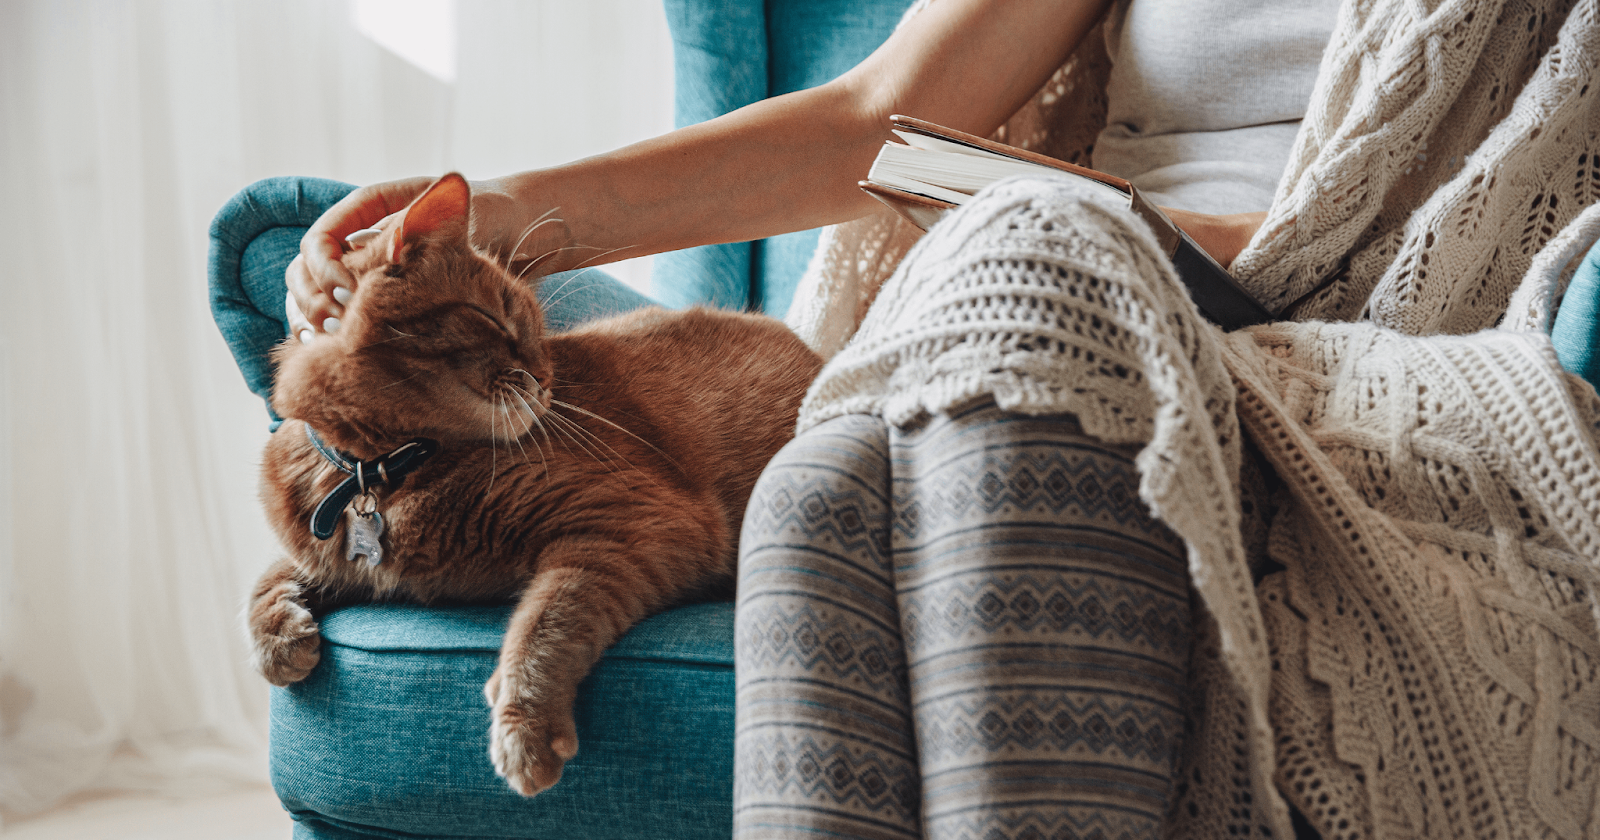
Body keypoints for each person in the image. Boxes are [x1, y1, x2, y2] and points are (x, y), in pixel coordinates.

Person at [286, 0, 1600, 838]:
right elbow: (873, 120)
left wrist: (1061, 214)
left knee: (1009, 290)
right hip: (1006, 293)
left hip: (1320, 347)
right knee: (810, 492)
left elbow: (1436, 239)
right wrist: (501, 211)